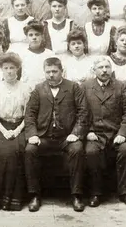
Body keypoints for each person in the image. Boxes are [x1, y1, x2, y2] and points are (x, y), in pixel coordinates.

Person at [24, 57, 89, 212]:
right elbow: (30, 114)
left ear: (62, 71)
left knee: (77, 149)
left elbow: (83, 112)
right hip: (44, 136)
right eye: (48, 72)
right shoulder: (39, 89)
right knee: (30, 150)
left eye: (54, 71)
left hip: (66, 137)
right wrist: (32, 134)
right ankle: (34, 195)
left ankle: (76, 195)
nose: (51, 75)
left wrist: (76, 133)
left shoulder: (73, 87)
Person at [83, 57, 126, 208]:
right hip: (96, 133)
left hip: (115, 133)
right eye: (100, 67)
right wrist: (88, 131)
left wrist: (123, 133)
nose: (104, 70)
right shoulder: (85, 87)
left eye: (107, 67)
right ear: (94, 70)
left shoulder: (121, 86)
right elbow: (81, 112)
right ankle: (96, 193)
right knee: (91, 152)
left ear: (111, 69)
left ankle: (125, 192)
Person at [0, 53, 33, 211]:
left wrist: (17, 131)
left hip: (21, 126)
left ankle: (11, 200)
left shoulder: (25, 88)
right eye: (6, 68)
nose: (9, 71)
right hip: (1, 126)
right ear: (1, 69)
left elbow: (29, 115)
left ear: (17, 69)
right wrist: (5, 131)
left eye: (12, 68)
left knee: (15, 152)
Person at [18, 20, 55, 87]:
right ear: (26, 37)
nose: (34, 37)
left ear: (42, 36)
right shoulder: (21, 54)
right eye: (31, 35)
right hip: (27, 88)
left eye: (37, 34)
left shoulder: (50, 54)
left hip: (46, 89)